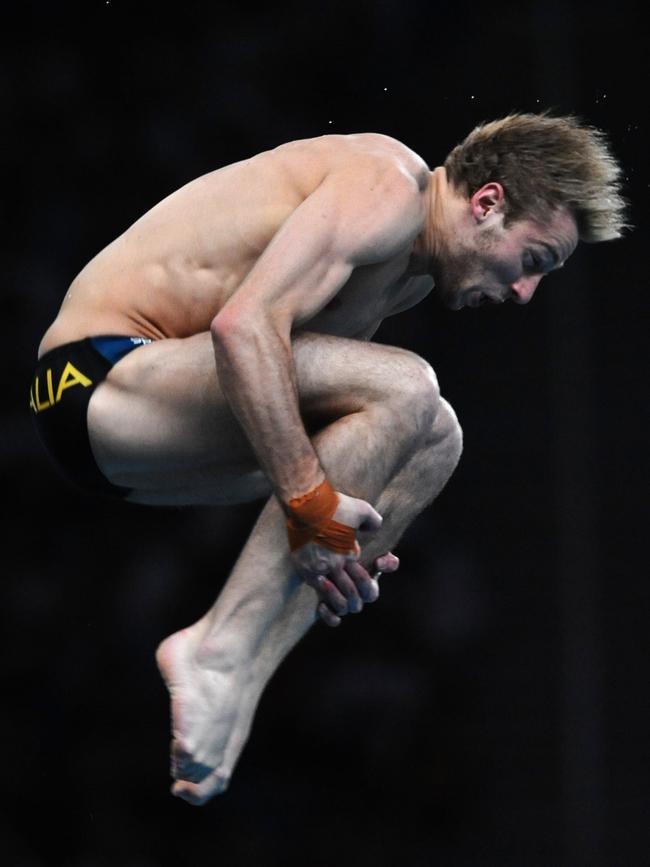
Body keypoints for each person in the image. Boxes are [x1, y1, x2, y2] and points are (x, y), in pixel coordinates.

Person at [30, 112, 626, 806]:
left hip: (151, 428)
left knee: (435, 437)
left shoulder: (410, 279)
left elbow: (291, 406)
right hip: (92, 381)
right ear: (488, 203)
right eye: (533, 261)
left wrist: (354, 525)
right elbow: (244, 327)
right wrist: (313, 504)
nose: (524, 293)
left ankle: (240, 676)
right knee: (407, 388)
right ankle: (216, 649)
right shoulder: (387, 188)